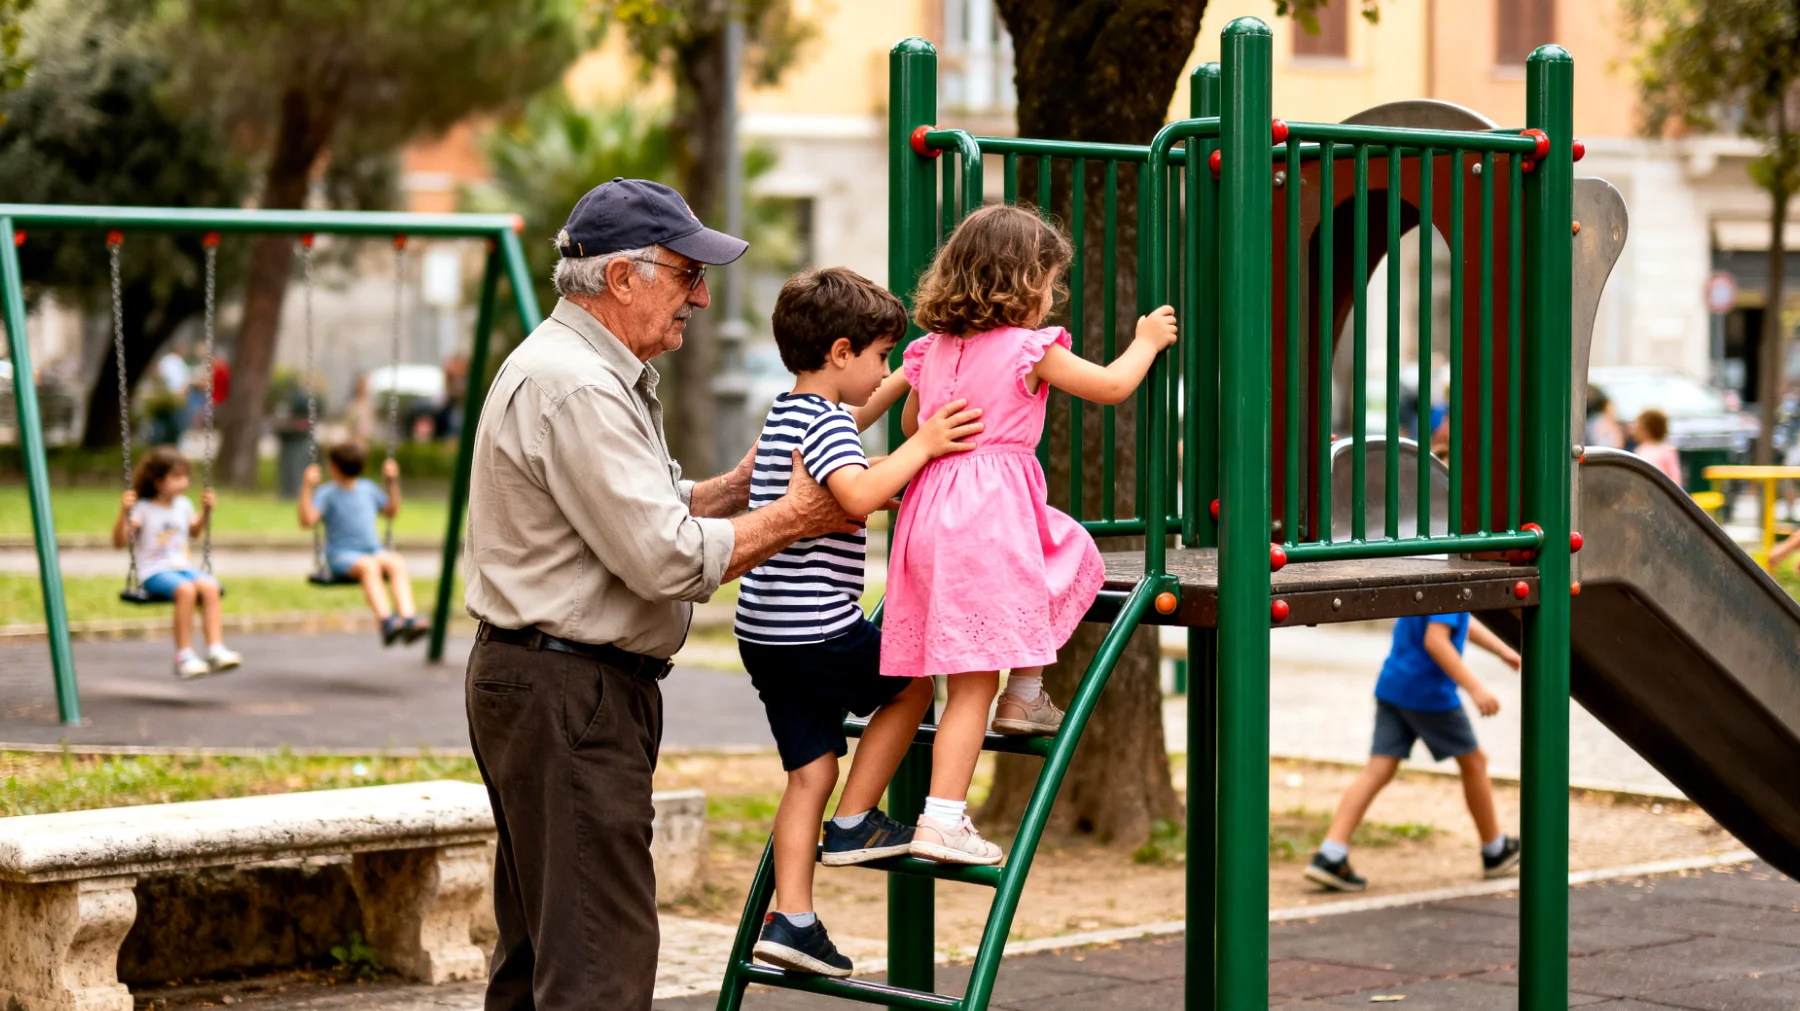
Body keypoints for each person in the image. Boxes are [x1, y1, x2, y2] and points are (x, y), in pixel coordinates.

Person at [462, 178, 859, 1011]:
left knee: (541, 952)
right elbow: (666, 558)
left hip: (549, 682)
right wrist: (795, 515)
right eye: (686, 275)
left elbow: (654, 507)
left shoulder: (583, 369)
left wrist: (745, 484)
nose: (702, 297)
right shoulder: (577, 385)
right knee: (598, 964)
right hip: (570, 690)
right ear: (623, 277)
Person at [880, 204, 1179, 865]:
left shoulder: (932, 350)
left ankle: (1022, 694)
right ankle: (944, 815)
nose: (1051, 295)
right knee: (977, 674)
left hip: (930, 511)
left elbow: (910, 423)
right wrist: (1147, 340)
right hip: (991, 514)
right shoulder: (1029, 348)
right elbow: (1110, 385)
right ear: (1022, 281)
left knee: (1050, 556)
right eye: (1049, 280)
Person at [738, 268, 984, 977]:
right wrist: (926, 444)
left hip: (766, 634)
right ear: (842, 352)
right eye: (880, 355)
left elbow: (859, 424)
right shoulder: (825, 422)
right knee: (911, 683)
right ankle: (856, 822)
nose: (883, 368)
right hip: (817, 628)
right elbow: (860, 488)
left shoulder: (789, 410)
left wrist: (907, 374)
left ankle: (795, 918)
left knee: (807, 772)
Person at [1305, 612, 1523, 892]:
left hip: (1394, 684)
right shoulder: (1455, 578)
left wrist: (1502, 651)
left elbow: (1459, 621)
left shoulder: (1431, 571)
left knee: (1379, 768)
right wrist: (1475, 688)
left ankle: (1331, 854)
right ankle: (1495, 850)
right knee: (1475, 762)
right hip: (1428, 693)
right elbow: (1436, 640)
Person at [111, 446, 242, 679]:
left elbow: (193, 532)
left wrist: (205, 511)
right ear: (157, 481)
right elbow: (119, 542)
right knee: (186, 591)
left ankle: (215, 649)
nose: (183, 483)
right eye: (176, 477)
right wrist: (124, 512)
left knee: (211, 587)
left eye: (185, 477)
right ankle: (184, 656)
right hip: (154, 571)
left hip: (181, 567)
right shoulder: (143, 509)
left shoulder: (183, 505)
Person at [299, 443, 428, 646]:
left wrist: (392, 482)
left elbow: (392, 510)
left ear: (333, 467)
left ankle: (409, 619)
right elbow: (307, 520)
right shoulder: (328, 493)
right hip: (341, 556)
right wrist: (307, 486)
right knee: (369, 566)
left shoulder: (368, 488)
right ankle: (387, 621)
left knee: (396, 561)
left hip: (373, 551)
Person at [1631, 407, 1683, 485]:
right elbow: (1676, 480)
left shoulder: (1642, 451)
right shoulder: (1667, 450)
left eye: (1637, 427)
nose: (1633, 431)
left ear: (1646, 431)